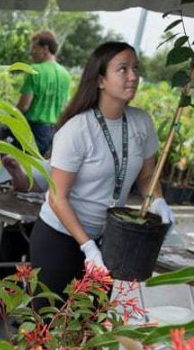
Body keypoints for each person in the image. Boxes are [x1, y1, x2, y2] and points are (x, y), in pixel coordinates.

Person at [30, 42, 176, 300]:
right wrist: (87, 247)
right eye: (122, 69)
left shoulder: (141, 122)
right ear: (100, 80)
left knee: (90, 330)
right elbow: (57, 197)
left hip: (108, 240)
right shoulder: (77, 129)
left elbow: (146, 177)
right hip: (59, 239)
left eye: (135, 68)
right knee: (50, 329)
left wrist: (158, 201)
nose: (133, 76)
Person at [16, 30, 70, 157]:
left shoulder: (34, 70)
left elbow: (24, 106)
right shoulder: (65, 75)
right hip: (53, 132)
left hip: (32, 130)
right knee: (41, 171)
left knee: (19, 168)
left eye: (34, 47)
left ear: (45, 49)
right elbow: (64, 107)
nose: (31, 52)